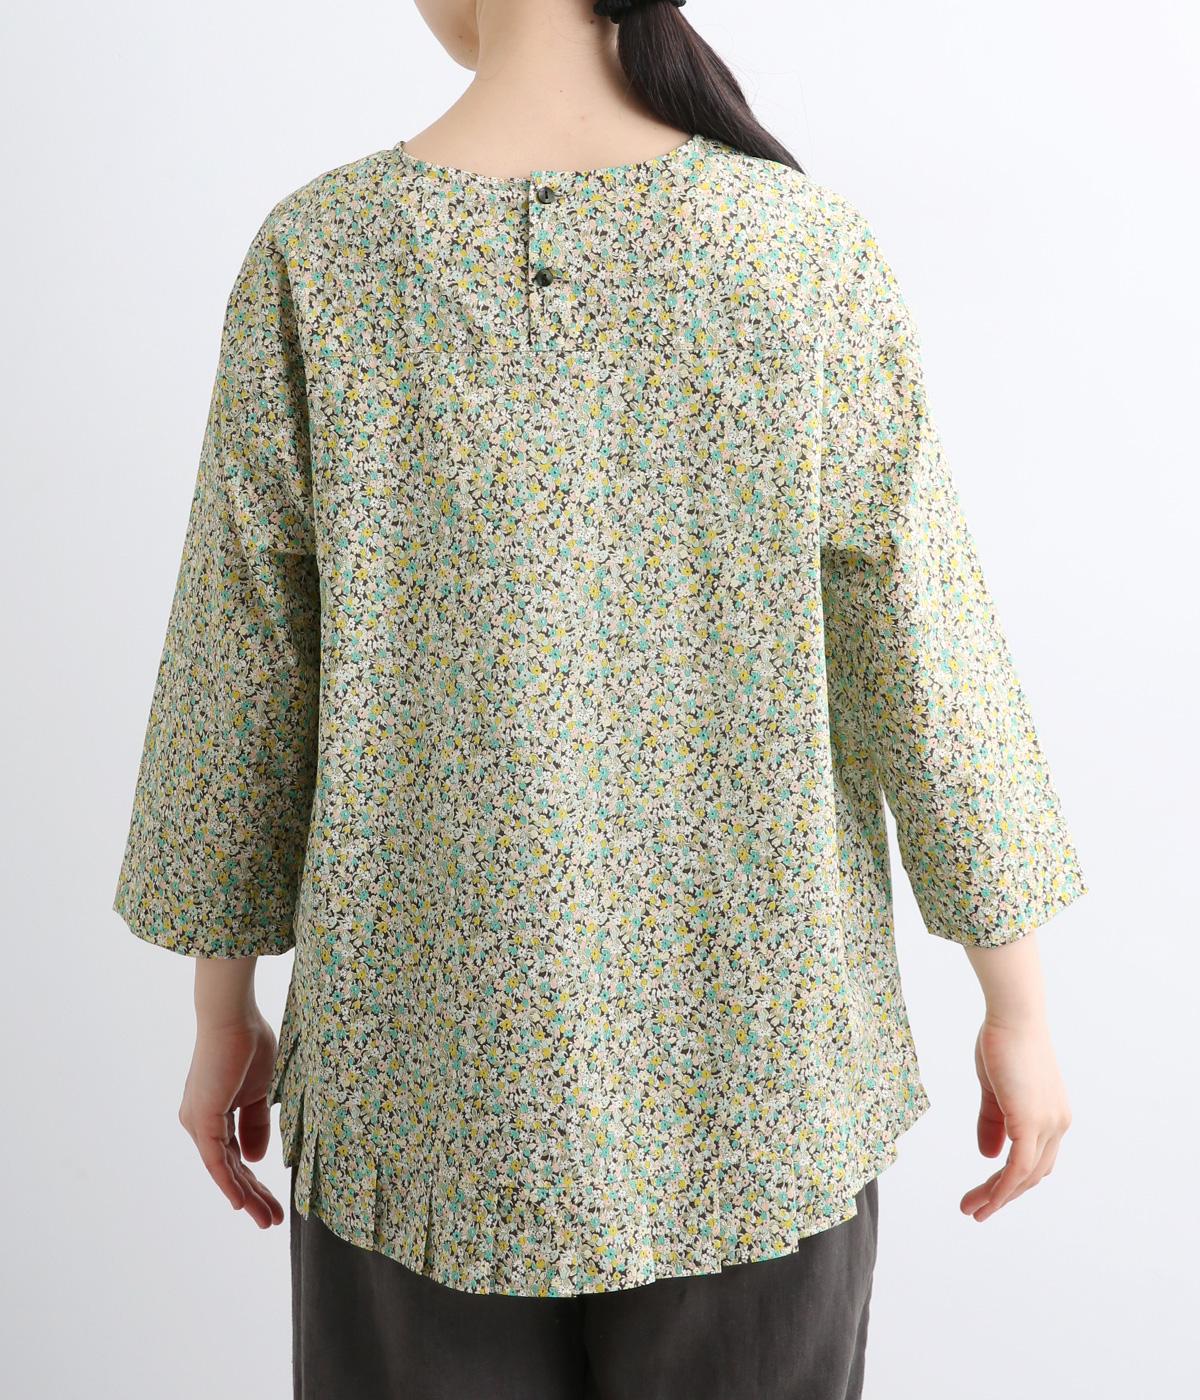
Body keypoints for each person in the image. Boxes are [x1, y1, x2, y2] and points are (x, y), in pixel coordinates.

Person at [111, 1, 1088, 1396]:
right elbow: (921, 643)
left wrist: (224, 1013)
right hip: (756, 1084)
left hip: (415, 1093)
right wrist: (1018, 1004)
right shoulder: (797, 247)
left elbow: (244, 669)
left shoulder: (319, 257)